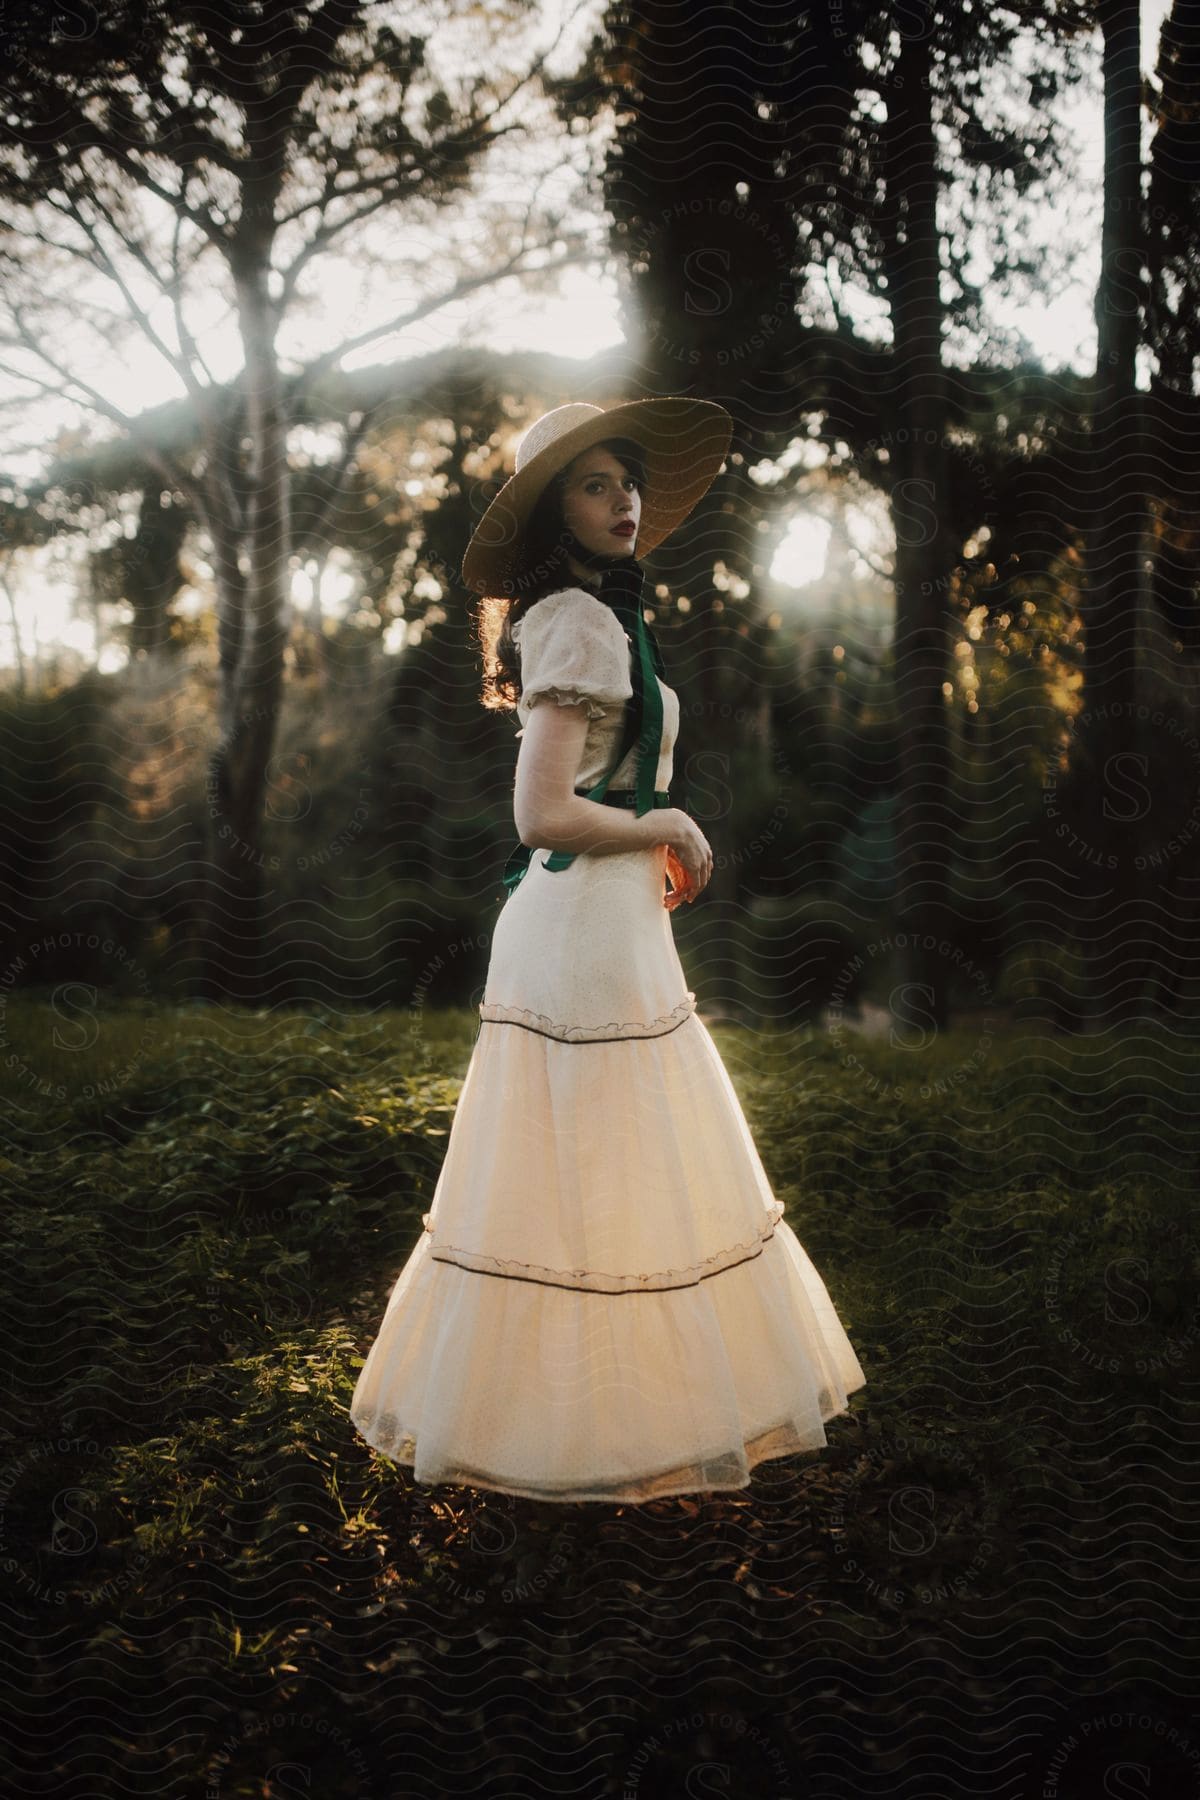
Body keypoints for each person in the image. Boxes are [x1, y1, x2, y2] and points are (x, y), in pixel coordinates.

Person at [349, 398, 866, 1504]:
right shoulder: (575, 621)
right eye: (592, 484)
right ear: (552, 516)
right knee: (583, 1171)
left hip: (607, 922)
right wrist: (668, 826)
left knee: (618, 1171)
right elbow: (541, 814)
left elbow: (585, 796)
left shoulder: (598, 616)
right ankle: (556, 1434)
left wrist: (646, 840)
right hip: (576, 925)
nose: (622, 498)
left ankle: (612, 1417)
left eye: (625, 479)